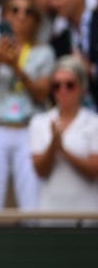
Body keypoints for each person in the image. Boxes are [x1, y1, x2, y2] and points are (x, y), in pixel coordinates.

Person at [0, 0, 54, 209]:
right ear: (5, 15)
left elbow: (42, 95)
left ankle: (36, 241)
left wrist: (17, 67)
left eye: (28, 12)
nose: (21, 16)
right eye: (14, 10)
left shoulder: (44, 52)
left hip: (29, 129)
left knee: (32, 202)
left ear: (36, 20)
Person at [29, 55, 98, 216]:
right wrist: (54, 145)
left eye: (70, 85)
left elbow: (94, 171)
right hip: (50, 214)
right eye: (56, 86)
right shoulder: (39, 122)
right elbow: (40, 171)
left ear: (82, 87)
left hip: (87, 216)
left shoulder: (94, 122)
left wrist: (63, 150)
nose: (63, 90)